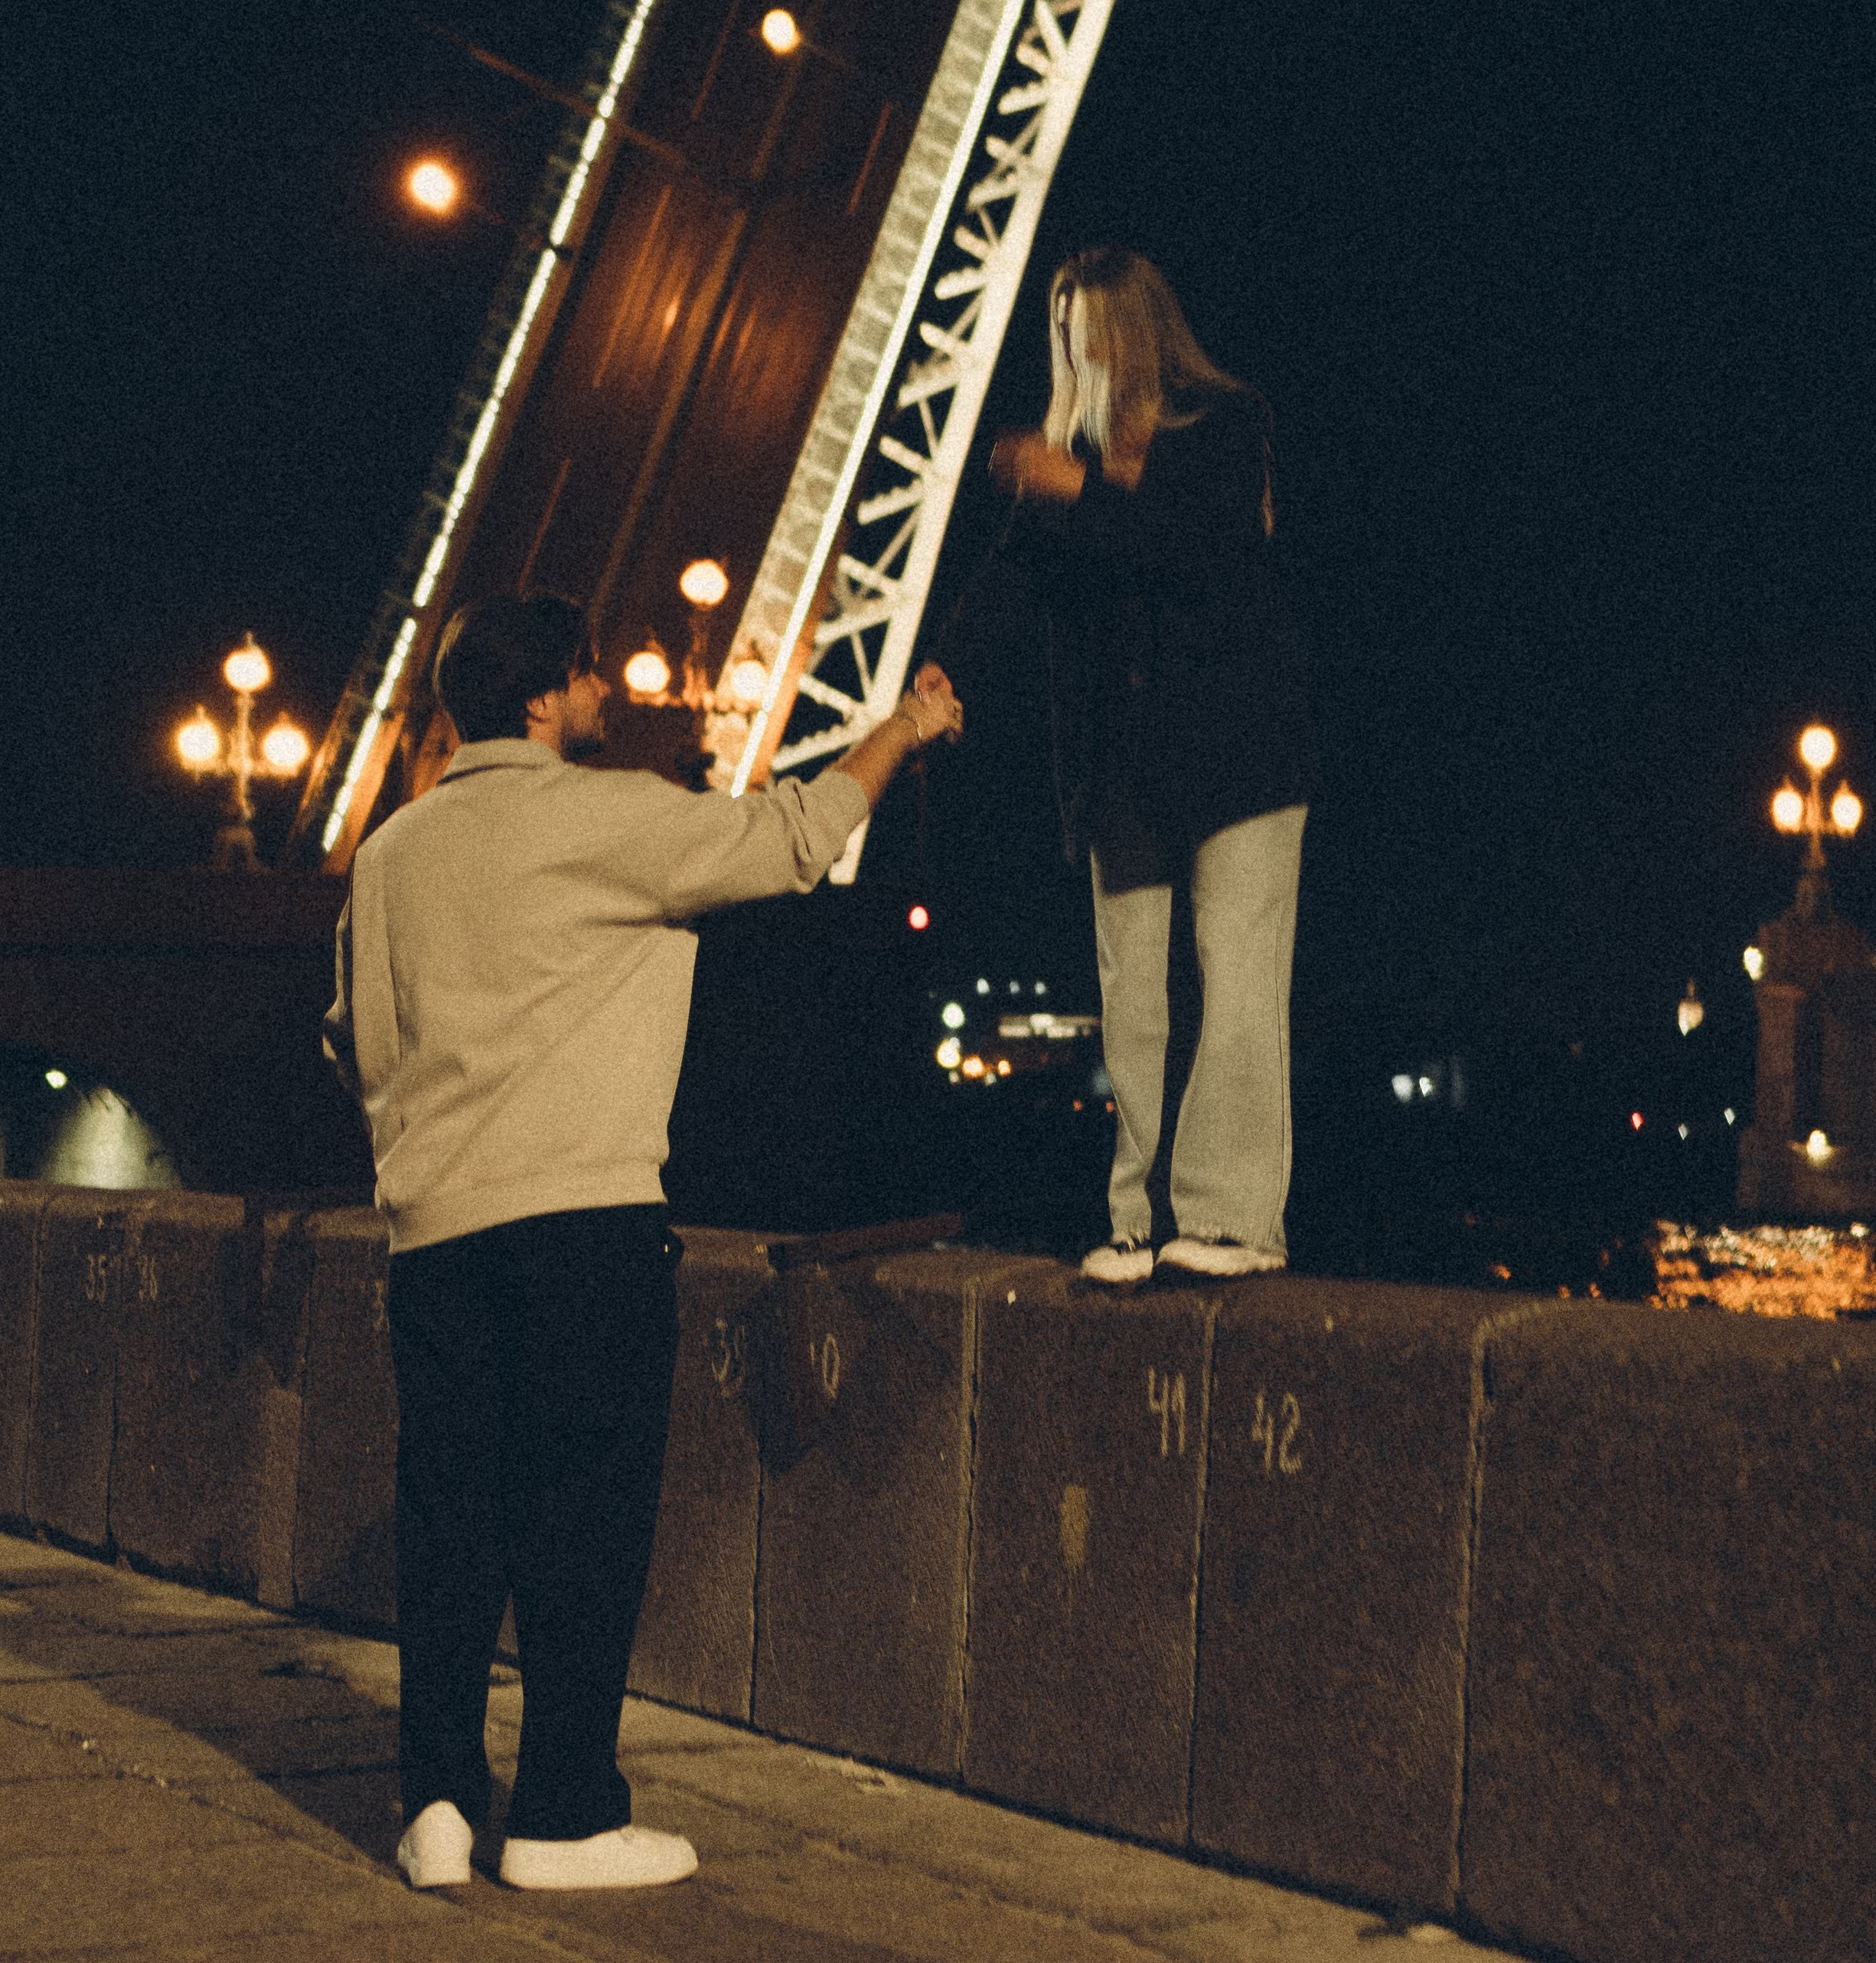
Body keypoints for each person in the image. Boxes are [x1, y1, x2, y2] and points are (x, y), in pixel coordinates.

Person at [323, 591, 962, 1894]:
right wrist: (903, 728)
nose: (606, 698)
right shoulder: (606, 817)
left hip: (433, 1236)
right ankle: (563, 1814)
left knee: (450, 1519)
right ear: (546, 699)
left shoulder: (390, 851)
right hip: (582, 1226)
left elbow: (349, 1041)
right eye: (590, 677)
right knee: (583, 1518)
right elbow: (794, 839)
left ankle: (437, 1803)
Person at [990, 247, 1314, 1285]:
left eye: (1087, 321)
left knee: (1239, 980)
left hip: (1241, 752)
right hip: (1121, 764)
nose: (1073, 342)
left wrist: (1076, 489)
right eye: (1060, 323)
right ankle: (1136, 1222)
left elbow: (1201, 551)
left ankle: (1233, 1223)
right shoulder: (1058, 452)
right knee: (1133, 996)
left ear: (1136, 326)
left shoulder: (1225, 426)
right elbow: (1021, 595)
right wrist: (937, 683)